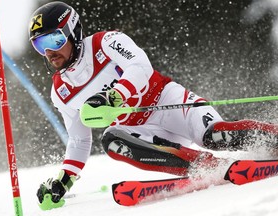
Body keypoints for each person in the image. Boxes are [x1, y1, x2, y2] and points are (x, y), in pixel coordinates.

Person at [29, 1, 278, 205]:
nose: (49, 52)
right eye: (40, 45)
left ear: (73, 32)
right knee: (112, 139)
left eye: (54, 40)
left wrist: (113, 96)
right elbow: (79, 140)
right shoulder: (61, 92)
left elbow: (140, 66)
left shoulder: (106, 43)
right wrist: (64, 181)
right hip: (143, 132)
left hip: (167, 102)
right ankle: (204, 165)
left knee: (213, 136)